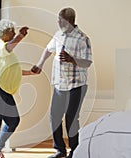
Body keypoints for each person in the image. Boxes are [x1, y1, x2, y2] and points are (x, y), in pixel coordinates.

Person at [31, 7, 93, 158]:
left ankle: (75, 151)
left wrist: (72, 59)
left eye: (61, 20)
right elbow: (48, 49)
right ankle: (59, 150)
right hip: (60, 85)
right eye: (58, 19)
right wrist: (40, 64)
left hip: (76, 85)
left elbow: (87, 62)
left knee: (71, 119)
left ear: (70, 20)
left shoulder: (82, 38)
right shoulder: (58, 34)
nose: (58, 22)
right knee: (54, 116)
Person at [0, 19, 36, 158]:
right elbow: (10, 46)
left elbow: (13, 70)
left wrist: (31, 72)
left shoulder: (6, 51)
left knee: (8, 121)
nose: (14, 33)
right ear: (4, 34)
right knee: (2, 121)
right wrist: (20, 37)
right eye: (12, 31)